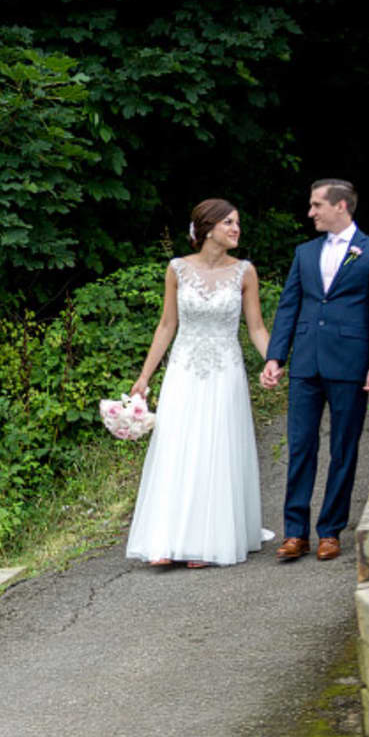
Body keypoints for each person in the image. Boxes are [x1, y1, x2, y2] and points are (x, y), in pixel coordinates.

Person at [125, 199, 273, 568]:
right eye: (228, 222)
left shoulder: (245, 272)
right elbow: (166, 326)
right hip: (184, 370)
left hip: (225, 370)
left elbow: (255, 328)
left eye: (237, 222)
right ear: (207, 228)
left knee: (214, 448)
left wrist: (274, 360)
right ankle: (166, 540)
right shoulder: (177, 269)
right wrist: (145, 377)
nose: (236, 228)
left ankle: (208, 542)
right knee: (176, 447)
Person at [259, 178, 369, 562]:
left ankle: (330, 530)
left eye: (317, 205)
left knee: (343, 448)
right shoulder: (305, 253)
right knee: (301, 445)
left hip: (350, 362)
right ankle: (295, 532)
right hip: (305, 362)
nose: (310, 212)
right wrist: (276, 356)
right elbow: (289, 306)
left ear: (341, 206)